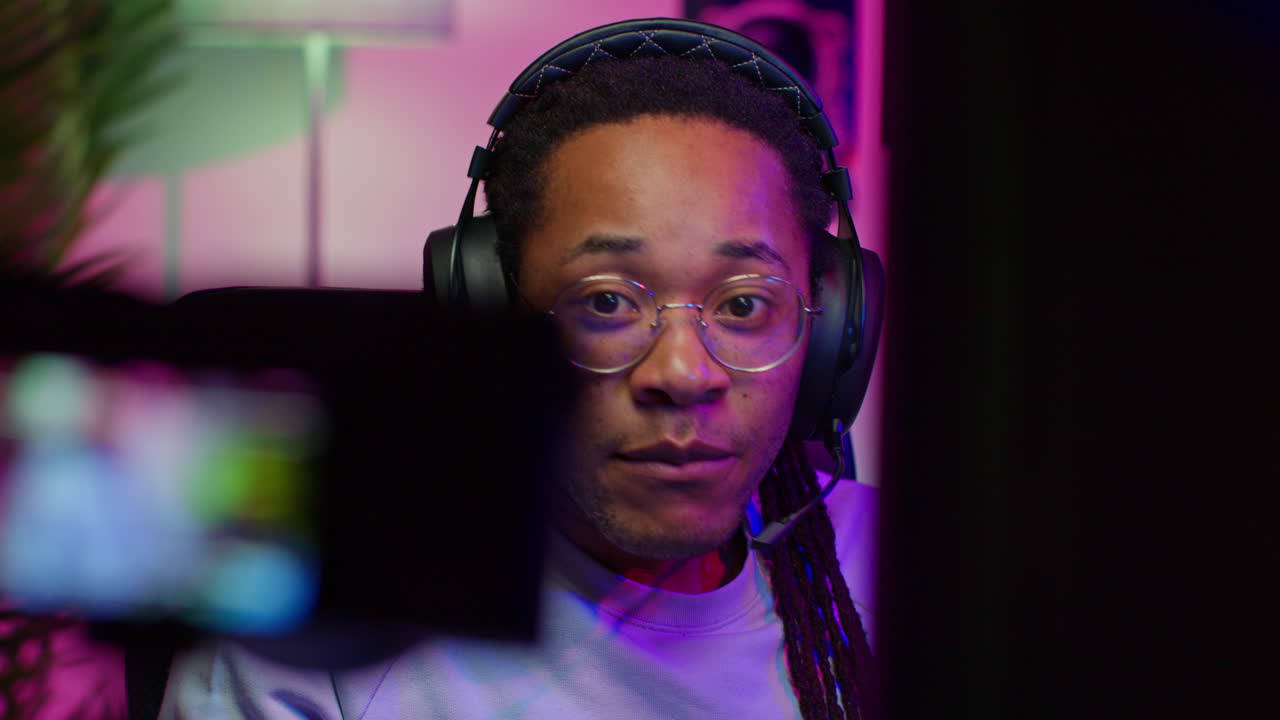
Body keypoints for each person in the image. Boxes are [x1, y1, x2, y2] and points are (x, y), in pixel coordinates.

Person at [161, 20, 878, 720]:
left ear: (828, 328)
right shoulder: (316, 606)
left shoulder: (905, 566)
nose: (684, 374)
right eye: (605, 302)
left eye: (745, 304)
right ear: (490, 312)